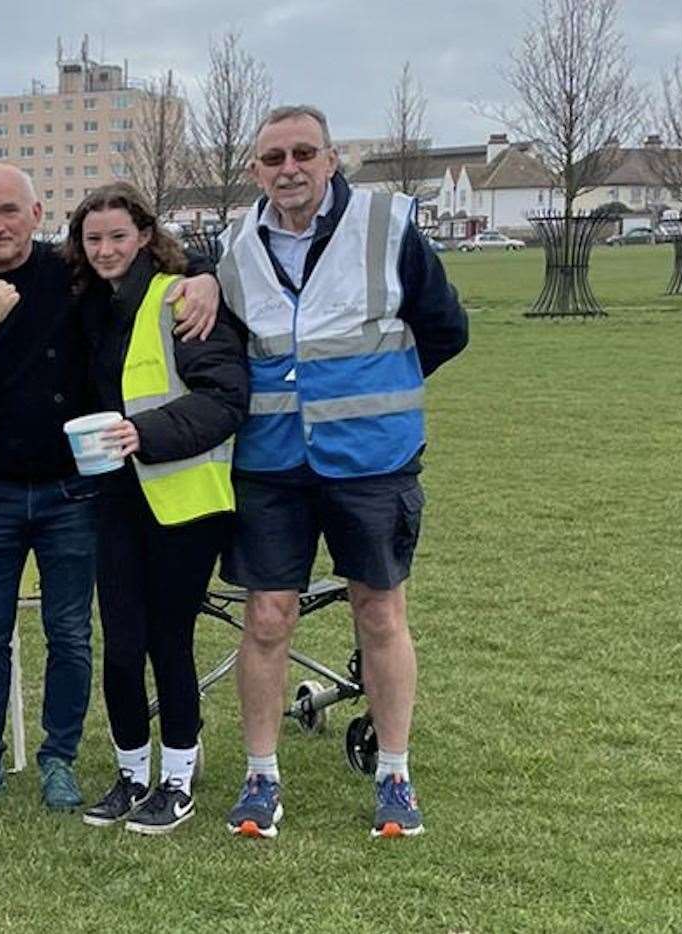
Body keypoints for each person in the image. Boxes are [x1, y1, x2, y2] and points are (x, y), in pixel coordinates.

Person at [0, 164, 221, 811]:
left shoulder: (71, 276)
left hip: (71, 493)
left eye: (9, 211)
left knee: (71, 634)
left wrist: (204, 279)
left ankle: (58, 758)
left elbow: (147, 254)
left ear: (36, 214)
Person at [217, 106, 468, 840]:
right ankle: (260, 776)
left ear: (330, 159)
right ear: (253, 170)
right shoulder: (232, 245)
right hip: (271, 462)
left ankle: (395, 772)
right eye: (272, 158)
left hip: (372, 461)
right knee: (266, 619)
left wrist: (374, 396)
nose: (288, 168)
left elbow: (446, 328)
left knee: (380, 612)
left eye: (303, 153)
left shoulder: (387, 224)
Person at [64, 183, 248, 834]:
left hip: (185, 500)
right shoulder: (87, 301)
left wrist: (148, 433)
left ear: (144, 234)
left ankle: (176, 779)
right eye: (94, 238)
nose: (107, 248)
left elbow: (225, 397)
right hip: (114, 497)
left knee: (169, 641)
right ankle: (129, 774)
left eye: (118, 235)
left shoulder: (179, 297)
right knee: (120, 645)